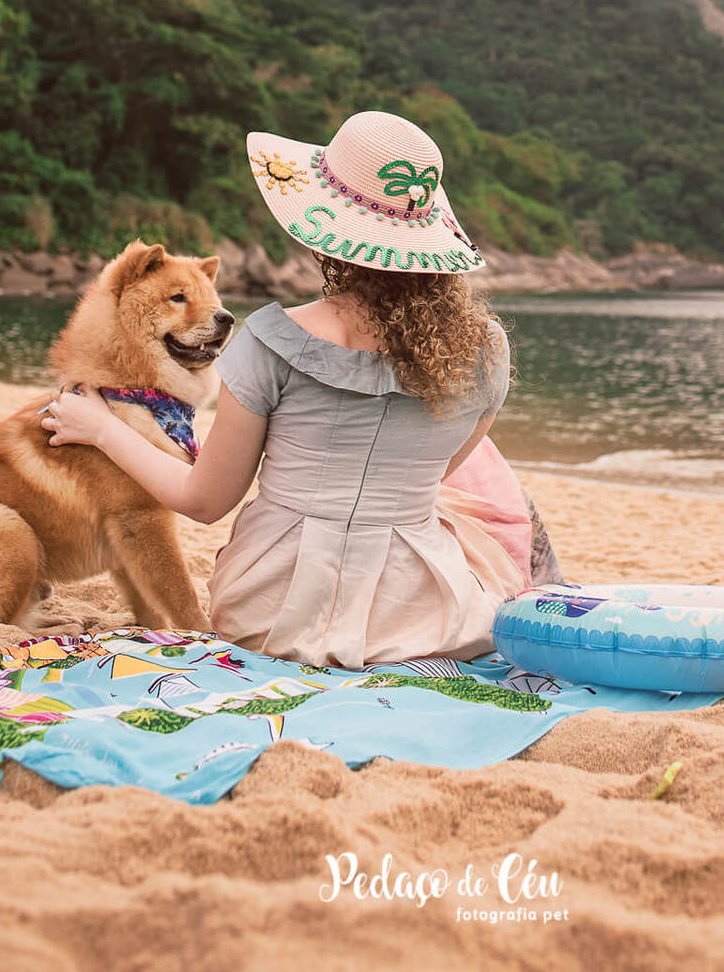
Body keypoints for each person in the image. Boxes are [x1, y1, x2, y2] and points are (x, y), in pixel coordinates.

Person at [42, 110, 554, 666]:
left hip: (274, 613)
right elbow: (445, 467)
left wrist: (98, 429)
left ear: (327, 231)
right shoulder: (488, 348)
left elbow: (205, 501)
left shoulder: (272, 339)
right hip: (425, 614)